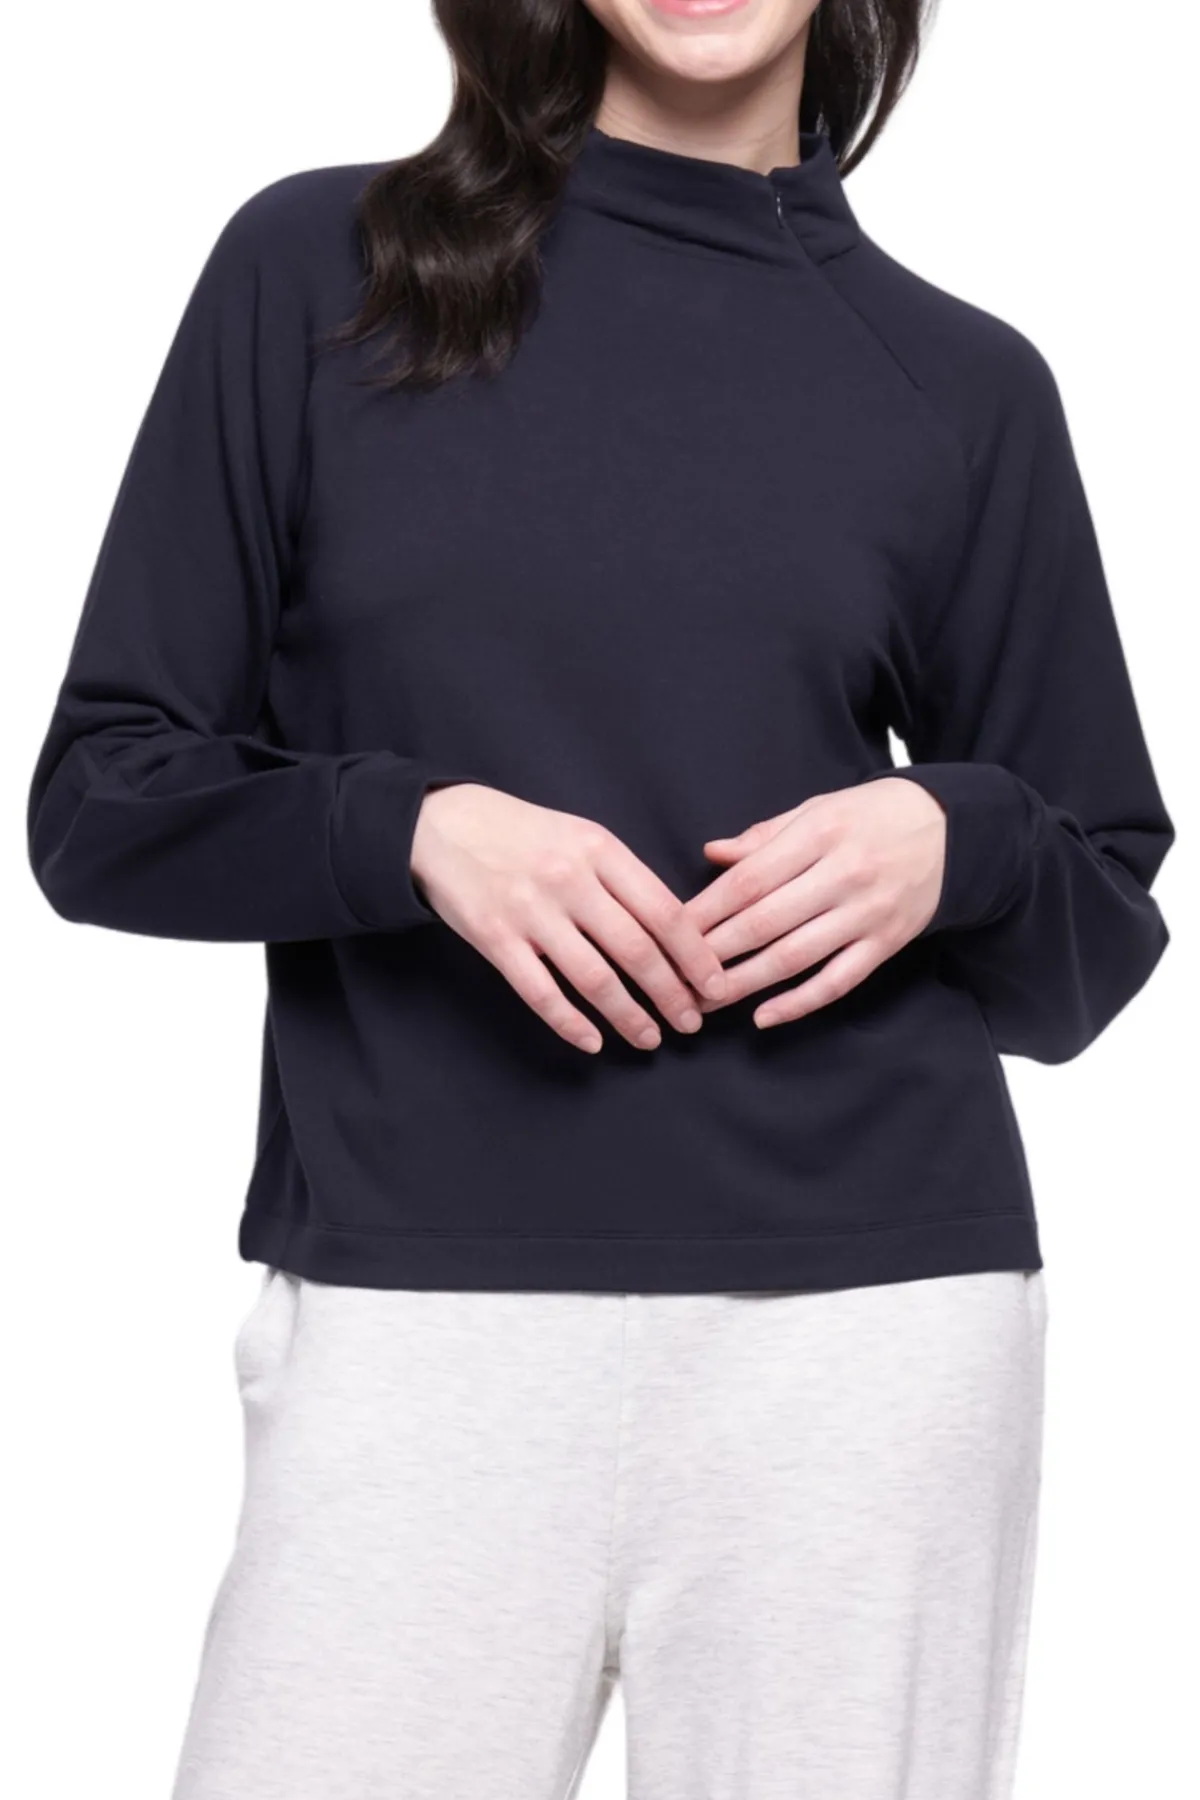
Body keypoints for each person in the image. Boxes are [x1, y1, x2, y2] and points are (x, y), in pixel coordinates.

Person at [27, 1, 1174, 1795]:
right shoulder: (322, 274)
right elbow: (103, 799)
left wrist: (960, 836)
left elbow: (1094, 917)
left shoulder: (960, 383)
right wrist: (412, 831)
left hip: (867, 1331)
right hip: (420, 1307)